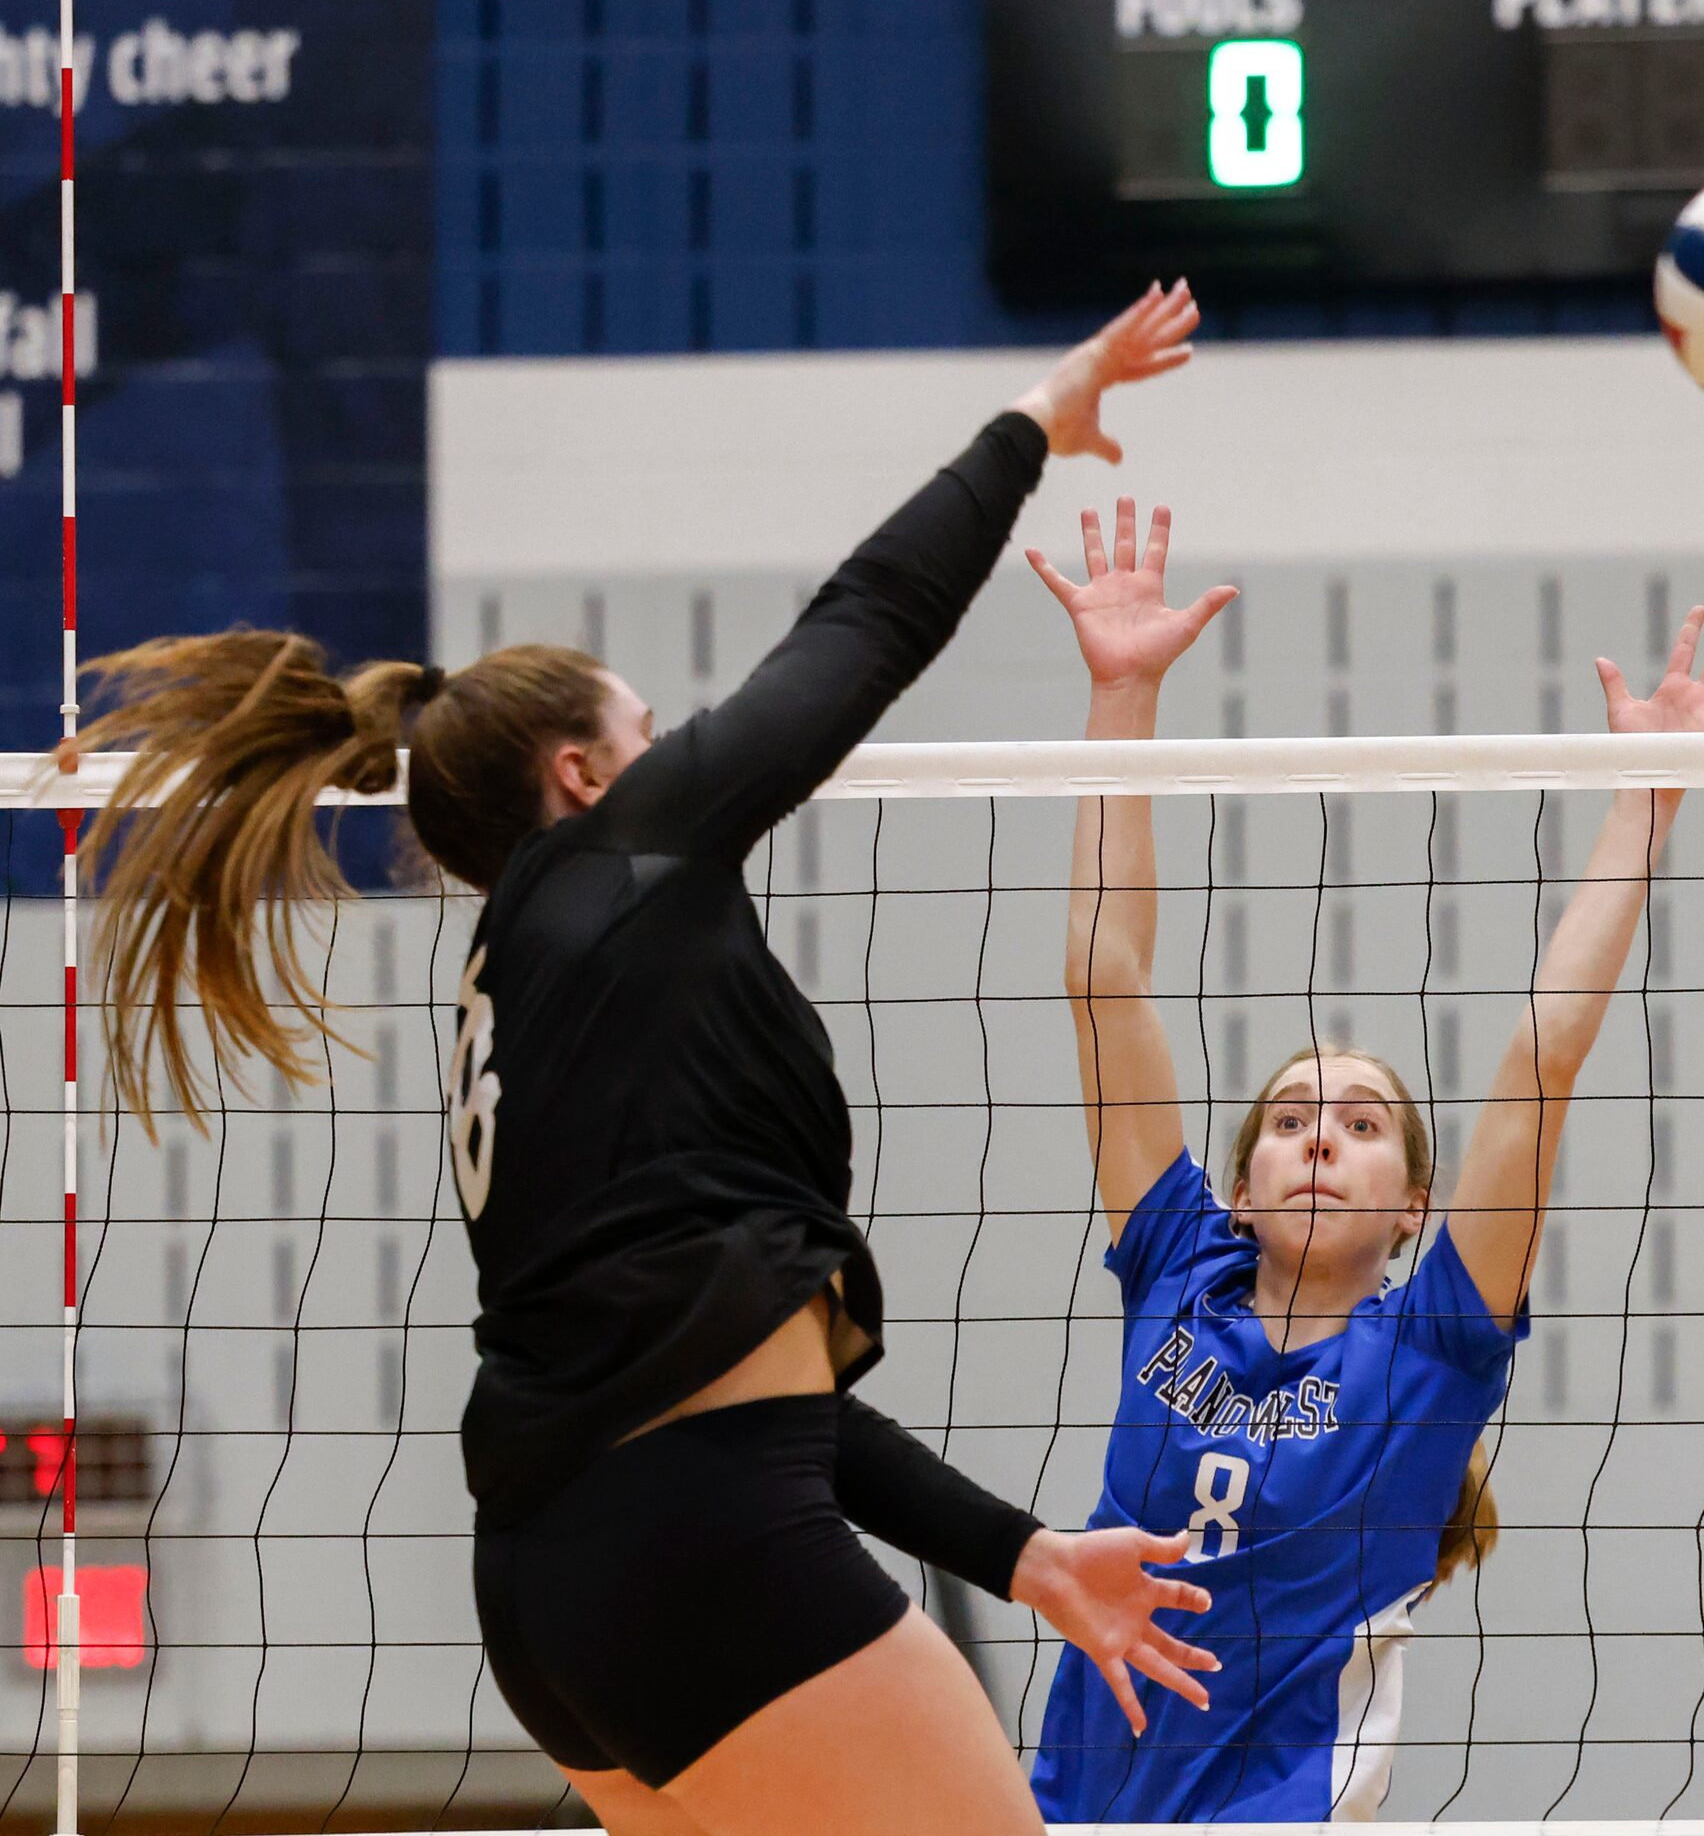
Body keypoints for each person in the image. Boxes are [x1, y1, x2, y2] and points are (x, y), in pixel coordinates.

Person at [73, 286, 1225, 1836]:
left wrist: (1023, 1555)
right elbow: (862, 627)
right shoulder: (623, 864)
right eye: (648, 724)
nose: (680, 736)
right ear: (583, 770)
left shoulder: (534, 990)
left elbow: (763, 1401)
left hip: (562, 1596)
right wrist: (1040, 413)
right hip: (705, 1554)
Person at [1025, 499, 1704, 1820]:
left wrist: (1643, 809)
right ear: (1243, 1186)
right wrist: (1122, 693)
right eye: (1292, 1118)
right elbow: (1103, 977)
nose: (1321, 1133)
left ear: (1414, 1207)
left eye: (1364, 1122)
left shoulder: (1434, 1344)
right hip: (1073, 1806)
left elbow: (1539, 1063)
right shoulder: (1177, 1268)